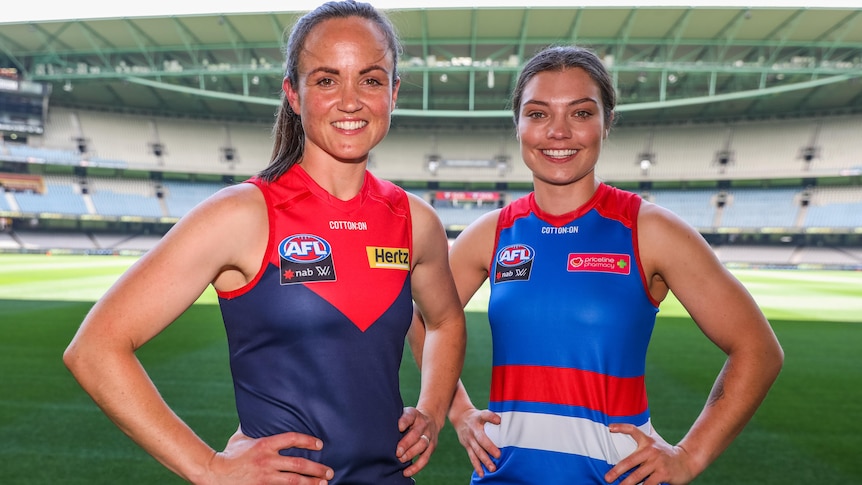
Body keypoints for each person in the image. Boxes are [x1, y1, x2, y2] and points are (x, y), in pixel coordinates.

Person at [63, 2, 466, 484]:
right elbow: (95, 348)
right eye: (326, 80)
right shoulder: (241, 214)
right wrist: (210, 468)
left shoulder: (415, 221)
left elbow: (444, 320)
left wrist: (433, 409)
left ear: (394, 93)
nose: (351, 100)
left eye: (371, 80)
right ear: (293, 95)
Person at [408, 45, 784, 485]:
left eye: (582, 113)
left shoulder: (649, 229)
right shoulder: (493, 233)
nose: (559, 132)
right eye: (538, 113)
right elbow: (421, 319)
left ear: (607, 124)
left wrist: (689, 456)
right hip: (502, 477)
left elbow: (758, 351)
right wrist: (458, 412)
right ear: (518, 126)